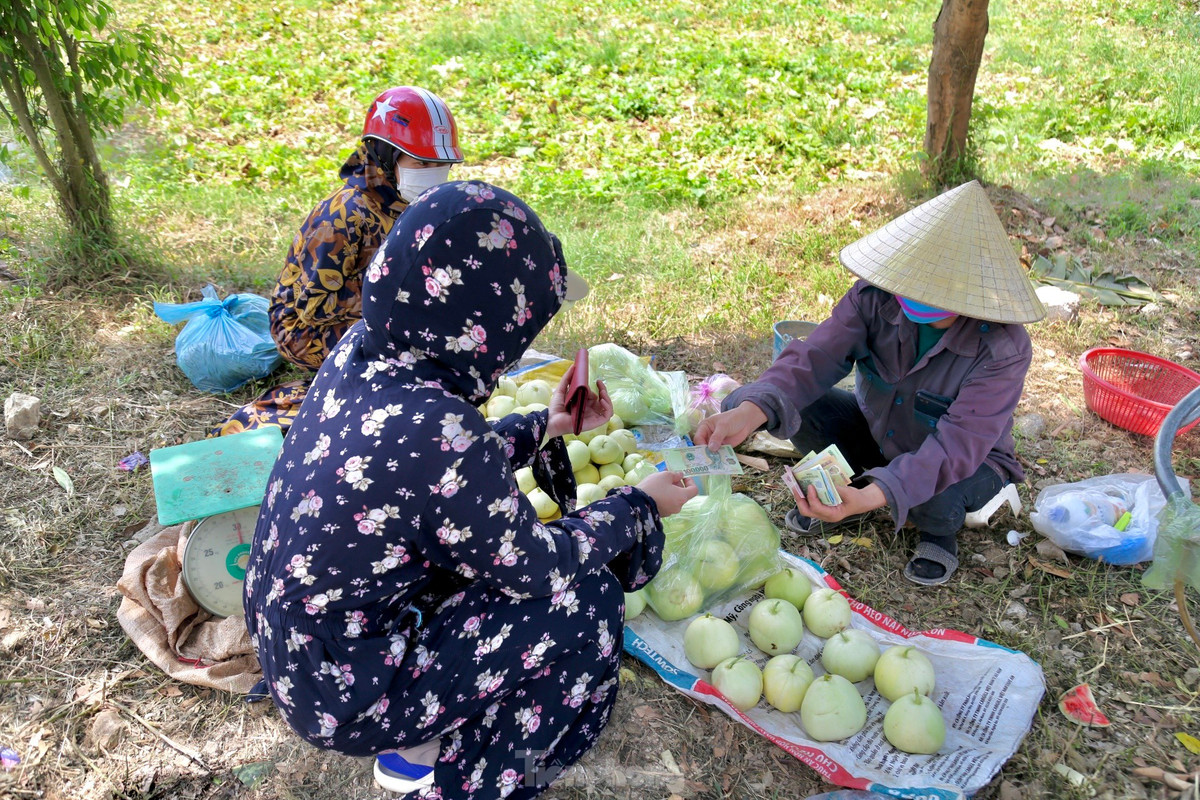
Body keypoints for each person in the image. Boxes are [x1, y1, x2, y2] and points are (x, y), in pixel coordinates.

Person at [243, 180, 698, 798]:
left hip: (302, 648)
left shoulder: (365, 349)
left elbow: (442, 477)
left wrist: (551, 424)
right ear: (485, 325)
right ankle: (473, 781)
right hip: (346, 687)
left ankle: (419, 744)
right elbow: (537, 566)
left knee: (482, 566)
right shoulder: (440, 427)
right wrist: (639, 505)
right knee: (584, 601)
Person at [696, 180, 1045, 586]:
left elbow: (957, 446)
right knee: (800, 407)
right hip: (879, 433)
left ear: (974, 292)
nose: (914, 291)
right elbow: (814, 359)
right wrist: (750, 411)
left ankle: (937, 533)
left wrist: (867, 497)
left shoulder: (1003, 347)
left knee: (936, 493)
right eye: (912, 277)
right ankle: (854, 492)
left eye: (936, 288)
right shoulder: (874, 298)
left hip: (967, 462)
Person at [213, 86, 464, 436]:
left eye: (441, 164)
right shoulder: (343, 215)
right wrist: (394, 289)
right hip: (304, 329)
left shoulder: (407, 203)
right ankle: (270, 417)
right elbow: (312, 307)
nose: (433, 173)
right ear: (385, 155)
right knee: (403, 367)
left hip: (376, 309)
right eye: (421, 163)